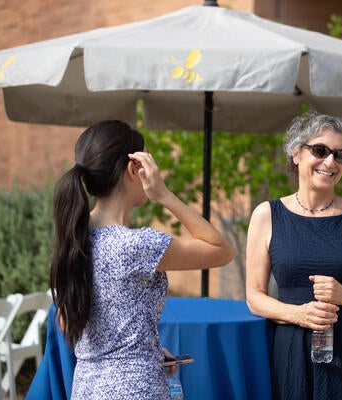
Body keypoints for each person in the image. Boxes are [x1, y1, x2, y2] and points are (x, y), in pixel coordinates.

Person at [50, 120, 234, 399]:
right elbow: (221, 249)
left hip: (86, 388)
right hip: (137, 388)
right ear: (134, 169)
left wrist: (143, 348)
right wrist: (165, 195)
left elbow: (66, 321)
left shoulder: (74, 236)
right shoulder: (137, 245)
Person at [245, 112, 342, 400]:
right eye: (320, 151)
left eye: (340, 155)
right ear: (296, 153)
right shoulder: (267, 215)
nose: (330, 162)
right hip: (294, 359)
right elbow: (254, 297)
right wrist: (299, 314)